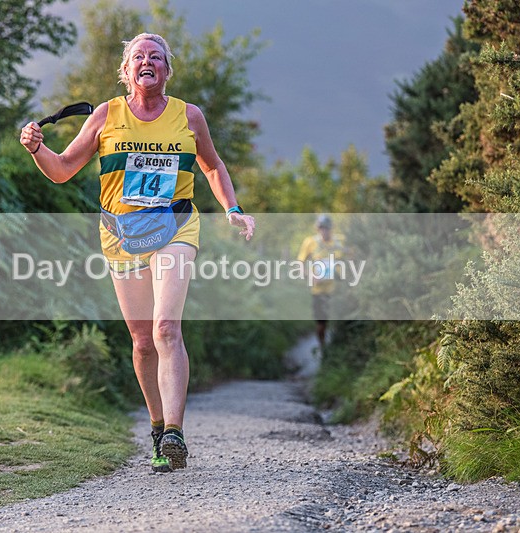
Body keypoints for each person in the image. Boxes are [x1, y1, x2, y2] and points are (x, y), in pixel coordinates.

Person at [20, 32, 255, 473]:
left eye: (156, 56)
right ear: (127, 72)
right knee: (143, 341)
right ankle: (156, 426)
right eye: (138, 57)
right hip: (122, 234)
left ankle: (175, 433)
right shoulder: (107, 115)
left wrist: (233, 209)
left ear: (167, 70)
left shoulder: (190, 116)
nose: (147, 61)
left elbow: (212, 165)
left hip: (175, 227)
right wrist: (38, 148)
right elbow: (62, 169)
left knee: (167, 328)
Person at [297, 214, 346, 352]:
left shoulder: (340, 241)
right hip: (318, 290)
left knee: (339, 319)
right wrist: (309, 275)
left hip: (338, 289)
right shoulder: (310, 242)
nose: (324, 231)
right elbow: (300, 262)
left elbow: (353, 256)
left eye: (327, 228)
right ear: (317, 229)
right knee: (321, 322)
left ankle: (340, 347)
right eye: (321, 228)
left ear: (332, 228)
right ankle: (323, 348)